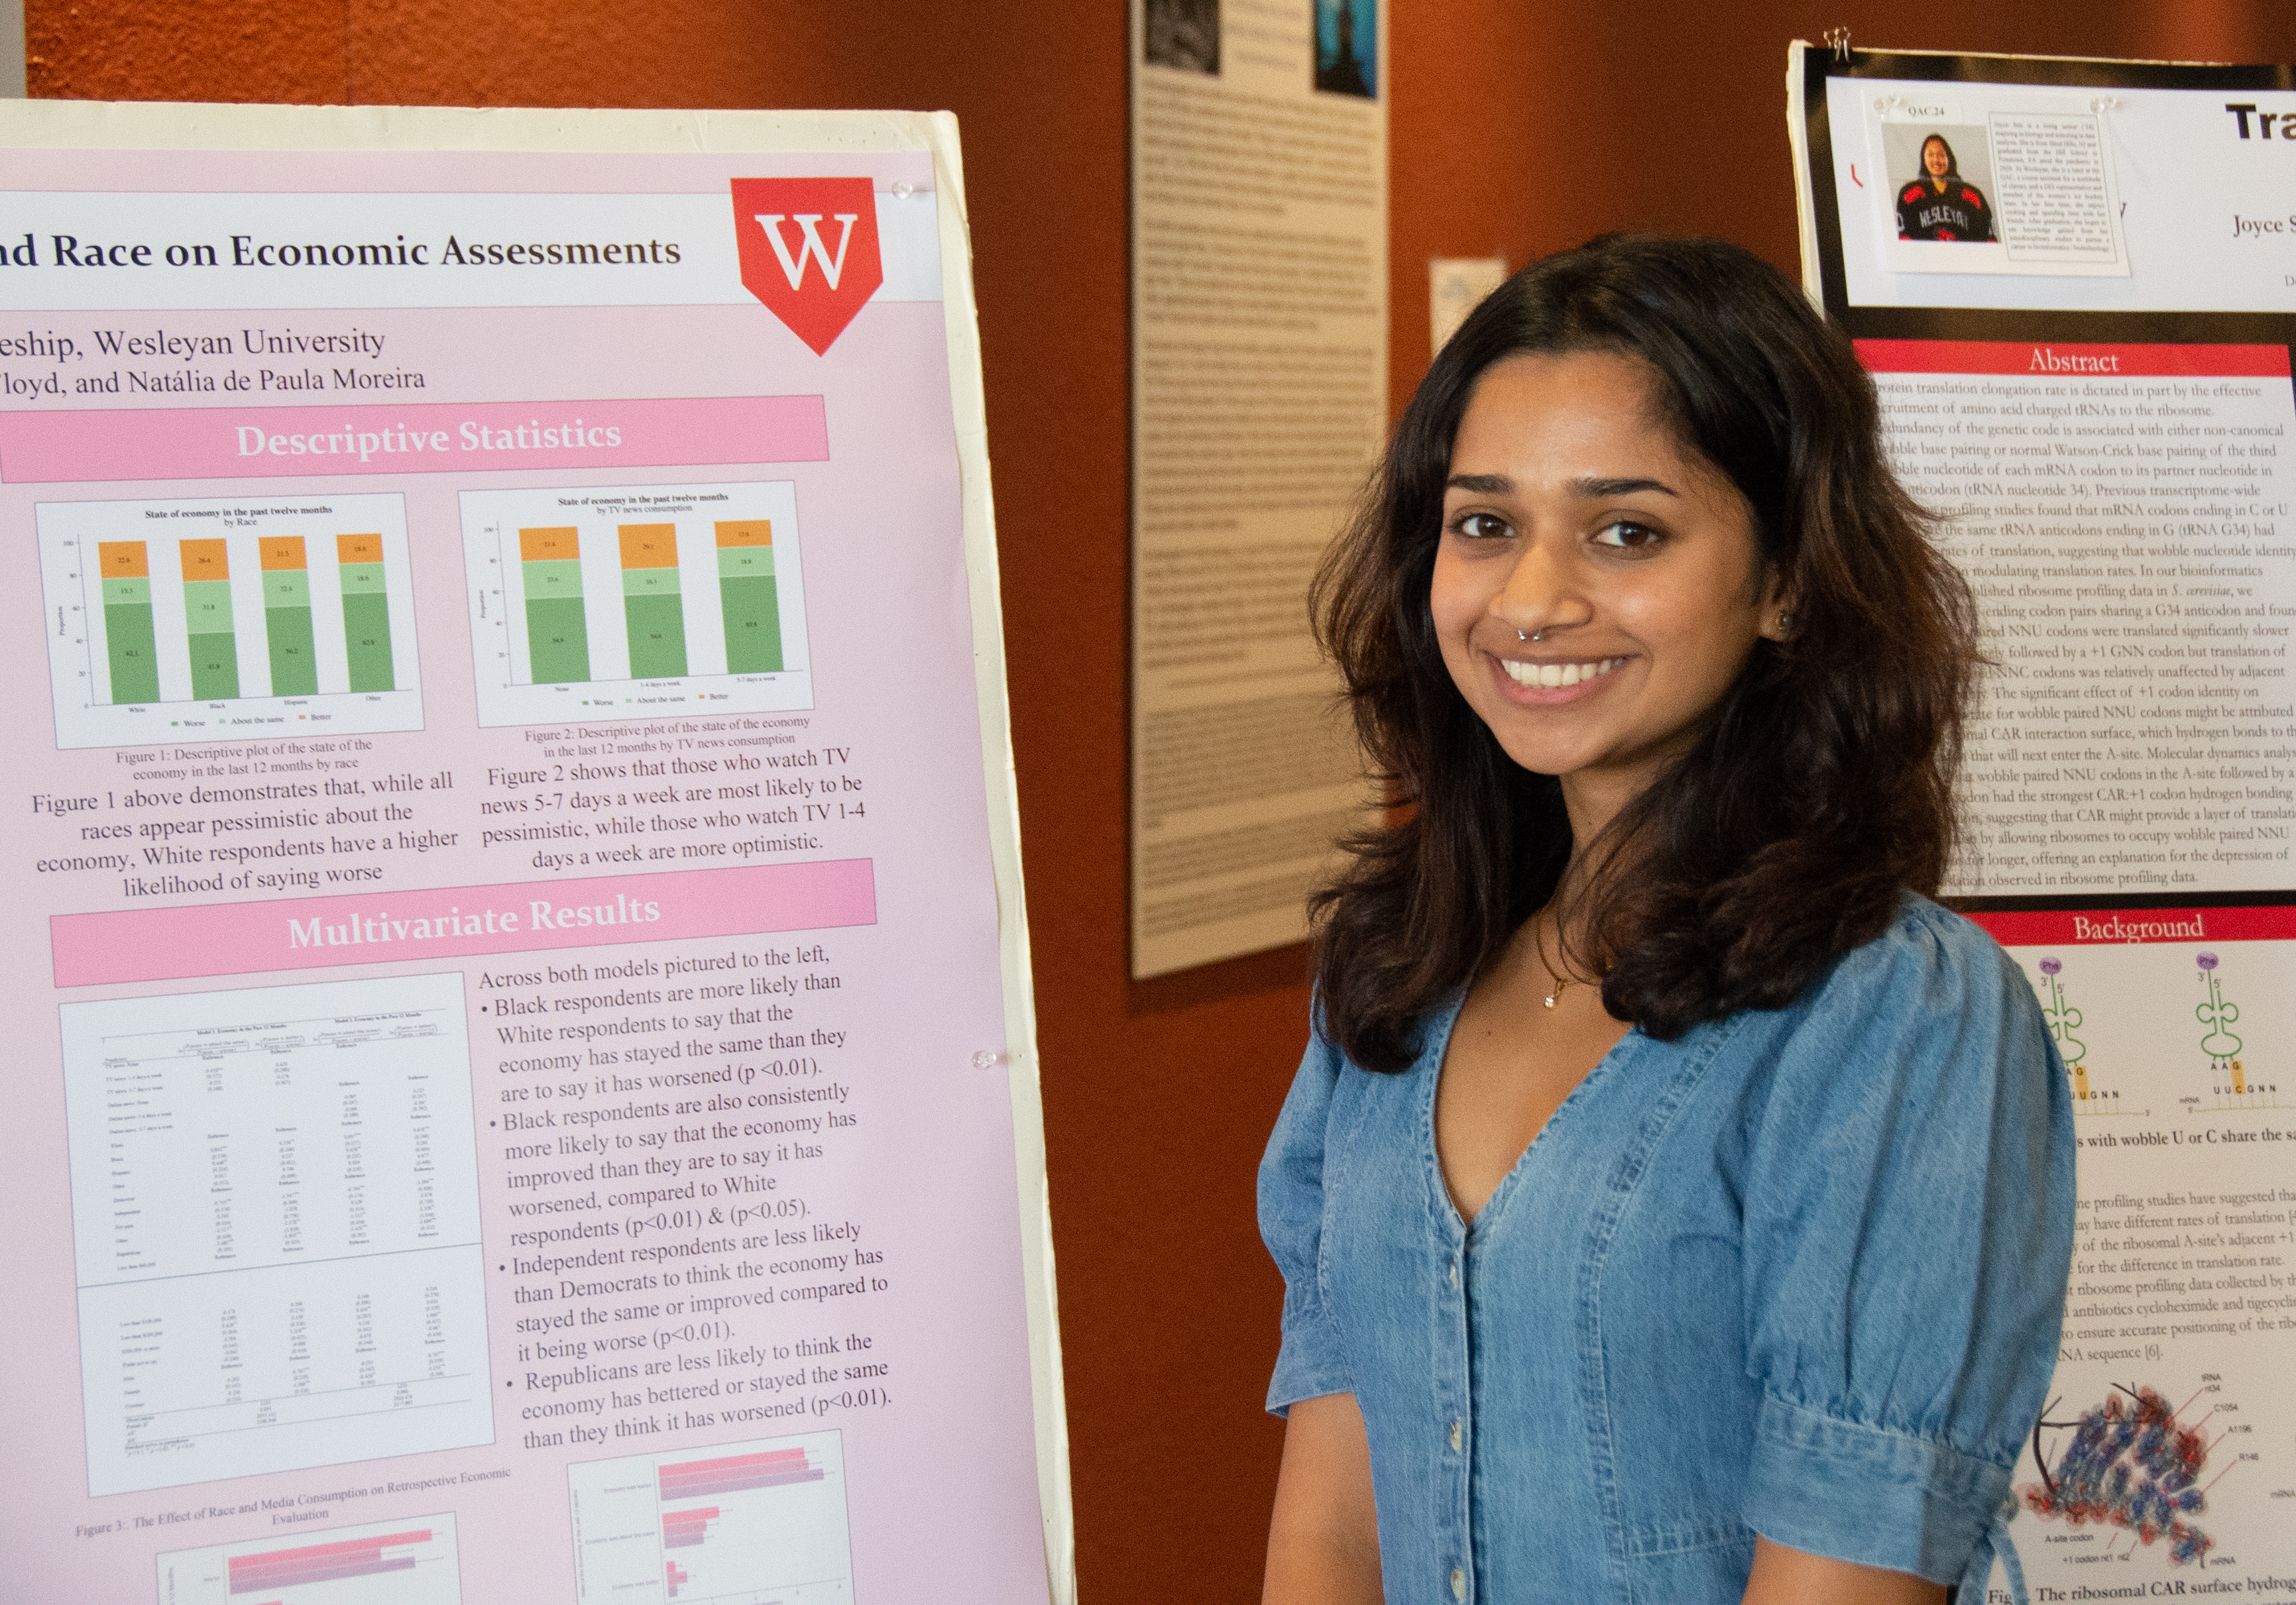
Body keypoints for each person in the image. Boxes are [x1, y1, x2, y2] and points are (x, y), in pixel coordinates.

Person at [1258, 235, 2074, 1605]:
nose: (1531, 598)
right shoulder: (1398, 975)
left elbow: (1843, 1582)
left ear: (1787, 578)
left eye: (1626, 529)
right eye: (1484, 521)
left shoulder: (1894, 1016)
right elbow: (1337, 1531)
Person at [1897, 133, 1997, 241]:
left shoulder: (1971, 195)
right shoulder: (1910, 195)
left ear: (1949, 158)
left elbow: (1989, 240)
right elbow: (1904, 239)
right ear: (1923, 159)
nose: (1936, 160)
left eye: (1941, 155)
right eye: (1930, 155)